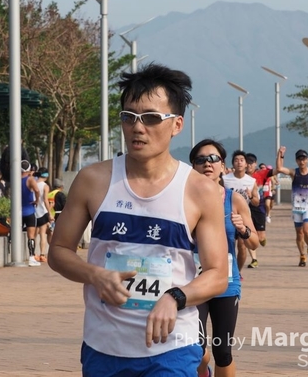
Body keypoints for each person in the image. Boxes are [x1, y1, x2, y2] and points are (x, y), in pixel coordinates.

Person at [48, 63, 228, 376]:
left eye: (151, 117)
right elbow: (59, 251)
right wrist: (95, 275)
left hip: (172, 348)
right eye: (128, 117)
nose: (138, 127)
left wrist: (175, 297)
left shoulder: (200, 190)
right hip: (104, 346)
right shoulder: (93, 180)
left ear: (176, 124)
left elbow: (217, 274)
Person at [191, 139, 258, 377]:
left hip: (226, 284)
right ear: (193, 166)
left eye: (213, 159)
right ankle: (203, 371)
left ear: (222, 165)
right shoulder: (183, 199)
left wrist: (243, 230)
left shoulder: (234, 199)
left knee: (223, 352)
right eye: (200, 159)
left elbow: (254, 242)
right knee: (195, 349)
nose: (207, 164)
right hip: (193, 284)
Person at [222, 151, 259, 271]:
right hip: (228, 216)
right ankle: (227, 270)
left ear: (246, 164)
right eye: (236, 160)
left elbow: (256, 202)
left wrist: (251, 196)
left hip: (243, 218)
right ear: (233, 163)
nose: (239, 163)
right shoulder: (225, 179)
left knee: (242, 246)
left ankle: (237, 272)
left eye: (242, 160)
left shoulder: (251, 181)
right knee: (227, 244)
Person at [21, 160, 41, 266]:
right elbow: (37, 190)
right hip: (29, 210)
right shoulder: (30, 179)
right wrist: (36, 200)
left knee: (15, 233)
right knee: (31, 236)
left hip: (18, 212)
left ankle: (15, 255)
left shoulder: (15, 179)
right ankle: (31, 257)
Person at [33, 167, 51, 262]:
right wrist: (49, 213)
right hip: (43, 212)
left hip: (34, 211)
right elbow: (45, 200)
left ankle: (33, 254)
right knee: (43, 234)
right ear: (46, 176)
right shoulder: (45, 186)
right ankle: (42, 254)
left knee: (34, 234)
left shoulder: (33, 184)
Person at [47, 179, 66, 244]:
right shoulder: (60, 194)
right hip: (59, 216)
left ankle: (50, 246)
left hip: (50, 215)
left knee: (51, 232)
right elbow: (64, 206)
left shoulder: (49, 194)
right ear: (61, 186)